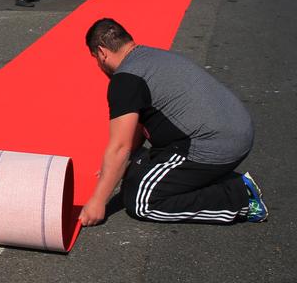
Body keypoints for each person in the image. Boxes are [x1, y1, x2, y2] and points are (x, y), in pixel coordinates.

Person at [80, 19, 266, 227]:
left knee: (141, 200)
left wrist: (98, 202)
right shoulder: (154, 56)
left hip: (213, 145)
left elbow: (120, 147)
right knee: (133, 173)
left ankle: (240, 197)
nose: (98, 65)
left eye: (95, 58)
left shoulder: (125, 79)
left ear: (102, 52)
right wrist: (114, 170)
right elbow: (137, 130)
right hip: (236, 130)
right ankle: (214, 180)